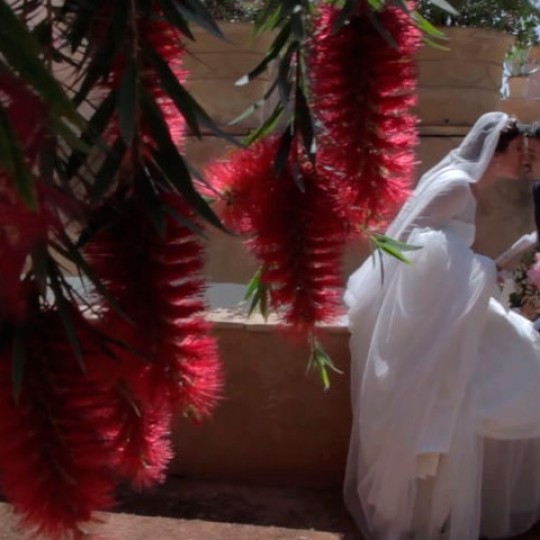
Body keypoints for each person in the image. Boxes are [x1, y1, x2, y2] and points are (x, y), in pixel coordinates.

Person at [343, 112, 540, 540]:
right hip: (429, 324)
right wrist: (492, 266)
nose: (522, 161)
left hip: (445, 314)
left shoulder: (462, 185)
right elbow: (415, 251)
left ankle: (438, 509)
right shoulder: (454, 185)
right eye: (517, 153)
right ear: (496, 151)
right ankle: (420, 516)